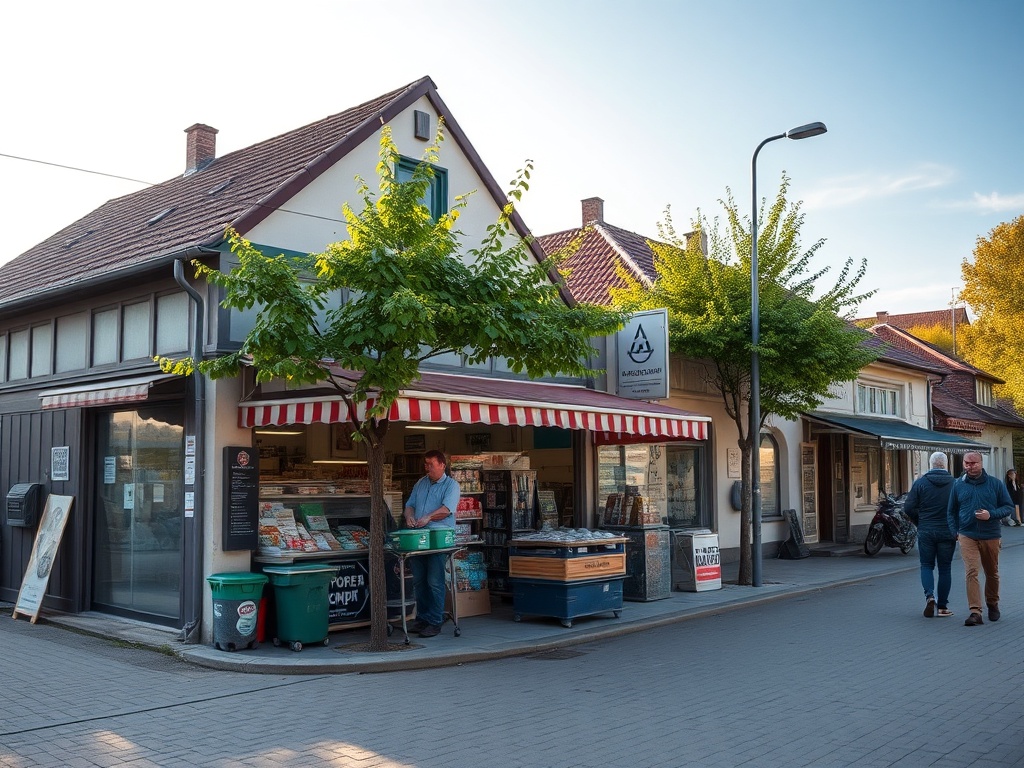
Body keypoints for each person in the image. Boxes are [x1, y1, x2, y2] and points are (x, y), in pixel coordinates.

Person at [947, 451, 1014, 626]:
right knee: (971, 572)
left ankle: (992, 603)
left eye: (973, 463)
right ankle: (975, 611)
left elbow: (1007, 507)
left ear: (981, 463)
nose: (969, 466)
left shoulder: (995, 484)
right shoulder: (958, 485)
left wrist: (990, 514)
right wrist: (955, 531)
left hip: (991, 534)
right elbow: (951, 511)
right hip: (967, 534)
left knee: (991, 572)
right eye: (966, 463)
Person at [403, 449, 459, 638]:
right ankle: (423, 618)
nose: (427, 468)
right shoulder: (421, 483)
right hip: (418, 538)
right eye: (425, 464)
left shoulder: (451, 486)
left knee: (434, 581)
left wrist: (428, 517)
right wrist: (410, 516)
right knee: (419, 581)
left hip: (438, 539)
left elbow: (447, 509)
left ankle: (435, 620)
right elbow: (409, 504)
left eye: (431, 464)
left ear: (442, 465)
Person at [904, 452, 956, 618]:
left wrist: (920, 521)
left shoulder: (920, 483)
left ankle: (929, 596)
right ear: (945, 465)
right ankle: (942, 607)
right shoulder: (955, 484)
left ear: (931, 464)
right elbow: (961, 508)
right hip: (947, 531)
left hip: (926, 530)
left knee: (926, 565)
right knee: (945, 568)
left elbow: (908, 508)